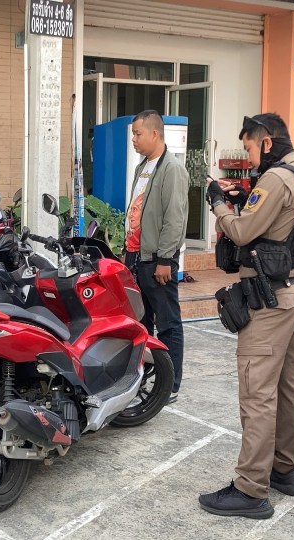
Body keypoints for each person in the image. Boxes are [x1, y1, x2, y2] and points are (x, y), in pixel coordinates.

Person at [199, 113, 294, 519]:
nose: (249, 157)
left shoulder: (277, 179)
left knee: (257, 393)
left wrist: (220, 204)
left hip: (269, 302)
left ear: (267, 142)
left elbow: (241, 232)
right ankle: (285, 470)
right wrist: (242, 200)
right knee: (287, 386)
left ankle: (251, 488)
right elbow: (282, 229)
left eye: (251, 148)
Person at [124, 110, 188, 402]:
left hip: (156, 260)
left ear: (155, 134)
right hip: (136, 257)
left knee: (168, 323)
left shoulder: (171, 169)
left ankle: (171, 385)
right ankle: (148, 378)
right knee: (142, 322)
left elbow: (174, 218)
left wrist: (165, 259)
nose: (134, 139)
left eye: (137, 133)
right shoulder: (143, 166)